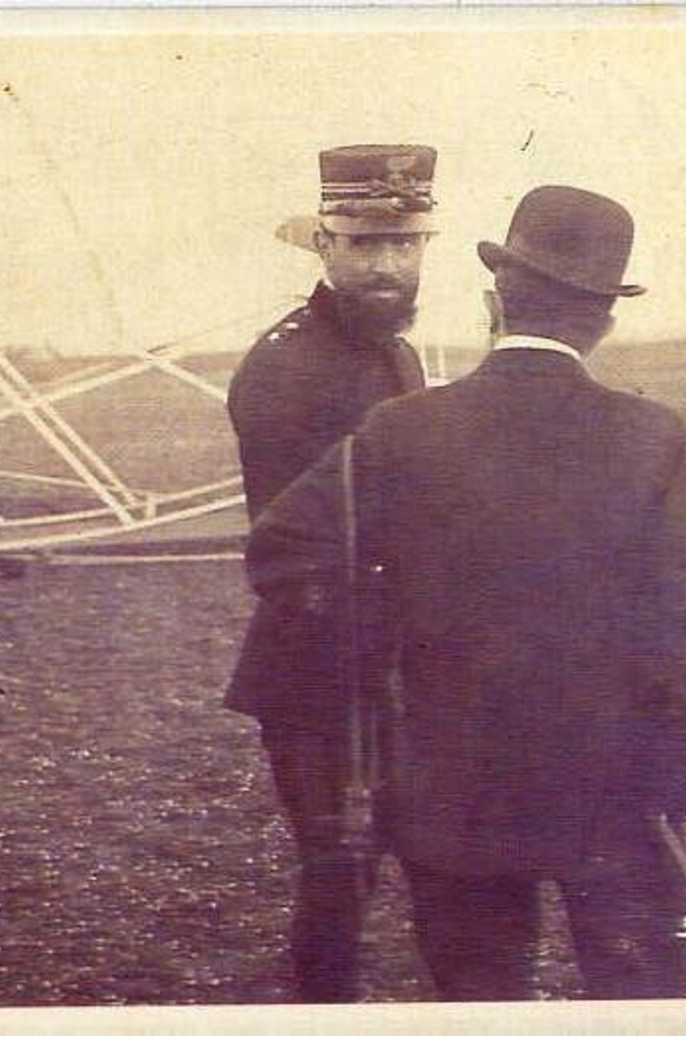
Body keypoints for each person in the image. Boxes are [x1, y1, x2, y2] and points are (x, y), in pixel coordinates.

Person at [247, 185, 686, 1000]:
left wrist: (402, 635)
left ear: (491, 302)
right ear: (605, 321)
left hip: (453, 787)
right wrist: (685, 777)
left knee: (481, 1000)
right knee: (639, 997)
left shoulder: (401, 430)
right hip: (619, 794)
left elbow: (281, 549)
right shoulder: (654, 437)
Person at [222, 144, 437, 1002]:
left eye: (405, 243)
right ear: (322, 244)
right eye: (362, 244)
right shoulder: (283, 367)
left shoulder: (399, 354)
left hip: (393, 656)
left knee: (414, 857)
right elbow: (289, 554)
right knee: (338, 866)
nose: (386, 264)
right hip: (319, 664)